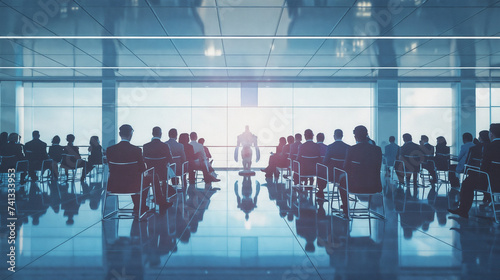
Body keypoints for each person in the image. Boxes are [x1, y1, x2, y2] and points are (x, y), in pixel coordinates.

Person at [107, 124, 172, 214]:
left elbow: (110, 168)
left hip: (113, 185)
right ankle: (158, 202)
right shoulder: (136, 150)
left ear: (119, 134)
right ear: (131, 134)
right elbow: (142, 169)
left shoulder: (110, 150)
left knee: (138, 178)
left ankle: (139, 205)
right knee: (152, 177)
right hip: (133, 185)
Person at [448, 123, 500, 219]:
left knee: (467, 182)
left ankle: (463, 211)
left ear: (491, 134)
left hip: (492, 183)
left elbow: (484, 167)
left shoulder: (489, 146)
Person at [338, 125, 382, 215]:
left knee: (342, 181)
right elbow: (378, 167)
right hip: (374, 186)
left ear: (355, 137)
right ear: (367, 135)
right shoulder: (377, 150)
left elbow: (345, 167)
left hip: (355, 186)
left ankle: (346, 208)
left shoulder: (351, 149)